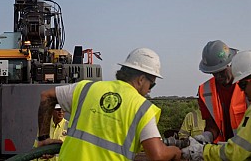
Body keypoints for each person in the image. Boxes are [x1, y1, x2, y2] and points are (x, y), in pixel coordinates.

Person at [36, 48, 181, 160]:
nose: (149, 90)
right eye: (152, 84)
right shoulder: (142, 108)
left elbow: (46, 97)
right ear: (141, 79)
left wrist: (43, 139)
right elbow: (157, 155)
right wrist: (175, 151)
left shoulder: (86, 88)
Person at [196, 40, 248, 143]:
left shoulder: (247, 84)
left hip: (246, 147)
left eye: (221, 71)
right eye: (214, 73)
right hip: (221, 150)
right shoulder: (205, 91)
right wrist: (207, 136)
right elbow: (212, 124)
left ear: (230, 64)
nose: (218, 76)